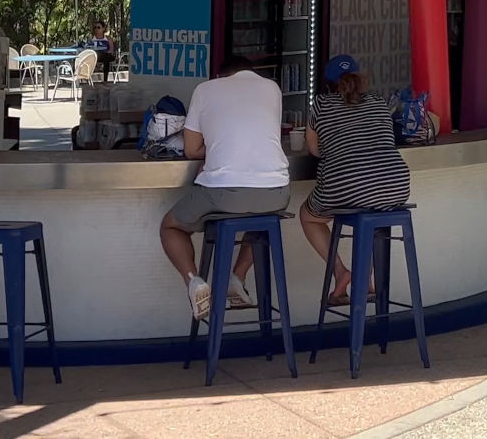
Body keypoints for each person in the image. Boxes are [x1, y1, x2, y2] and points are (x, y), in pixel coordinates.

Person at [159, 56, 291, 319]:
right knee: (259, 220)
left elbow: (192, 150)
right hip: (277, 192)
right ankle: (237, 277)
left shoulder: (206, 89)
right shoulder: (272, 88)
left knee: (170, 226)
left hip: (224, 193)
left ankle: (194, 281)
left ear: (221, 76)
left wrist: (217, 147)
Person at [301, 55, 411, 303]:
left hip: (345, 184)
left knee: (308, 217)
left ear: (327, 84)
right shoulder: (379, 102)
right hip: (395, 185)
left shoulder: (320, 104)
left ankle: (341, 272)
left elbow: (315, 150)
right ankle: (366, 281)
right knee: (371, 213)